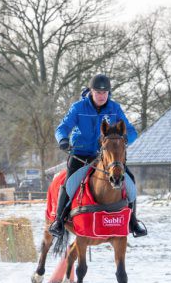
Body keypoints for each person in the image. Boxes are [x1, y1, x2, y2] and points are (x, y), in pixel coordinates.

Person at [48, 74, 147, 238]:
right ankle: (59, 221)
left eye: (105, 93)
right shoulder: (78, 107)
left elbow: (131, 130)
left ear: (108, 93)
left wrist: (124, 139)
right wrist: (63, 139)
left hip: (106, 156)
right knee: (69, 184)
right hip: (81, 154)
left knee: (130, 179)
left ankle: (133, 222)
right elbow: (62, 127)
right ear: (91, 92)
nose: (101, 96)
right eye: (98, 92)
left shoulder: (114, 108)